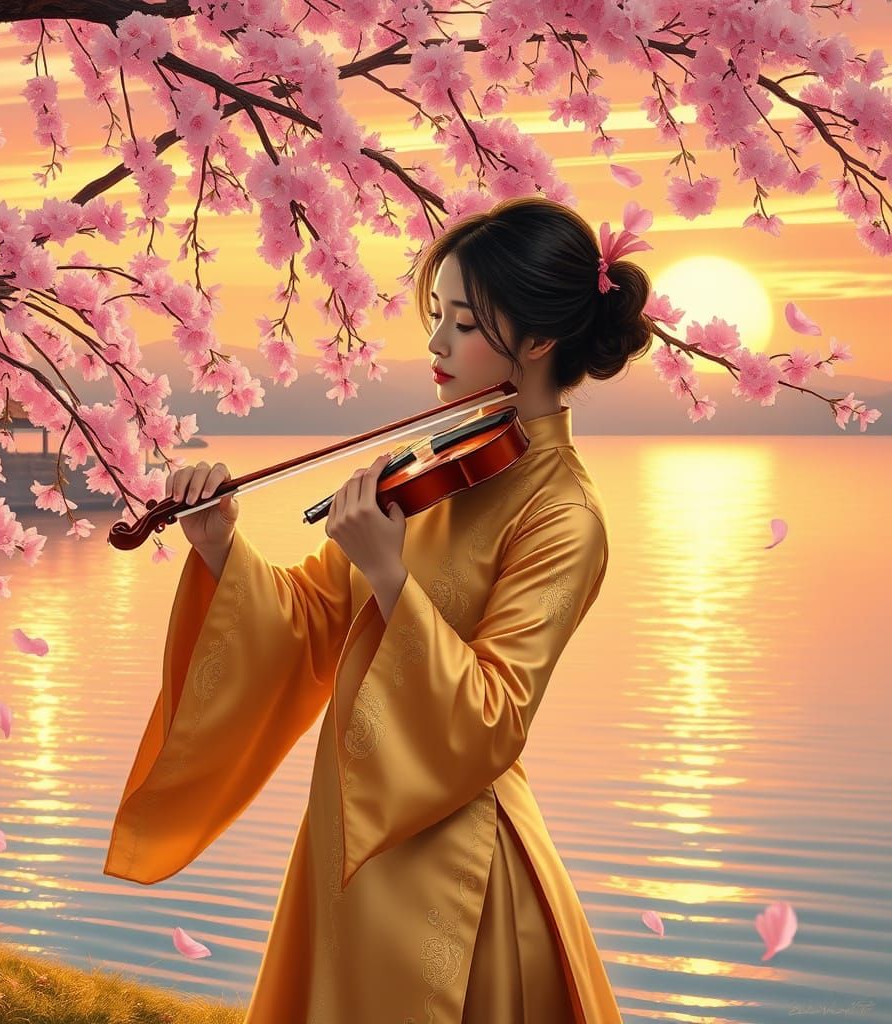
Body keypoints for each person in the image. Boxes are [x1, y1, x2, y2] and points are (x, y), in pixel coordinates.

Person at [103, 195, 654, 1023]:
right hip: (352, 833)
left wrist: (394, 578)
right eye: (437, 316)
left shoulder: (563, 513)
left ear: (539, 340)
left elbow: (495, 716)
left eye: (463, 323)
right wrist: (220, 545)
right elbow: (315, 620)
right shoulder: (435, 462)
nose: (435, 343)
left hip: (454, 859)